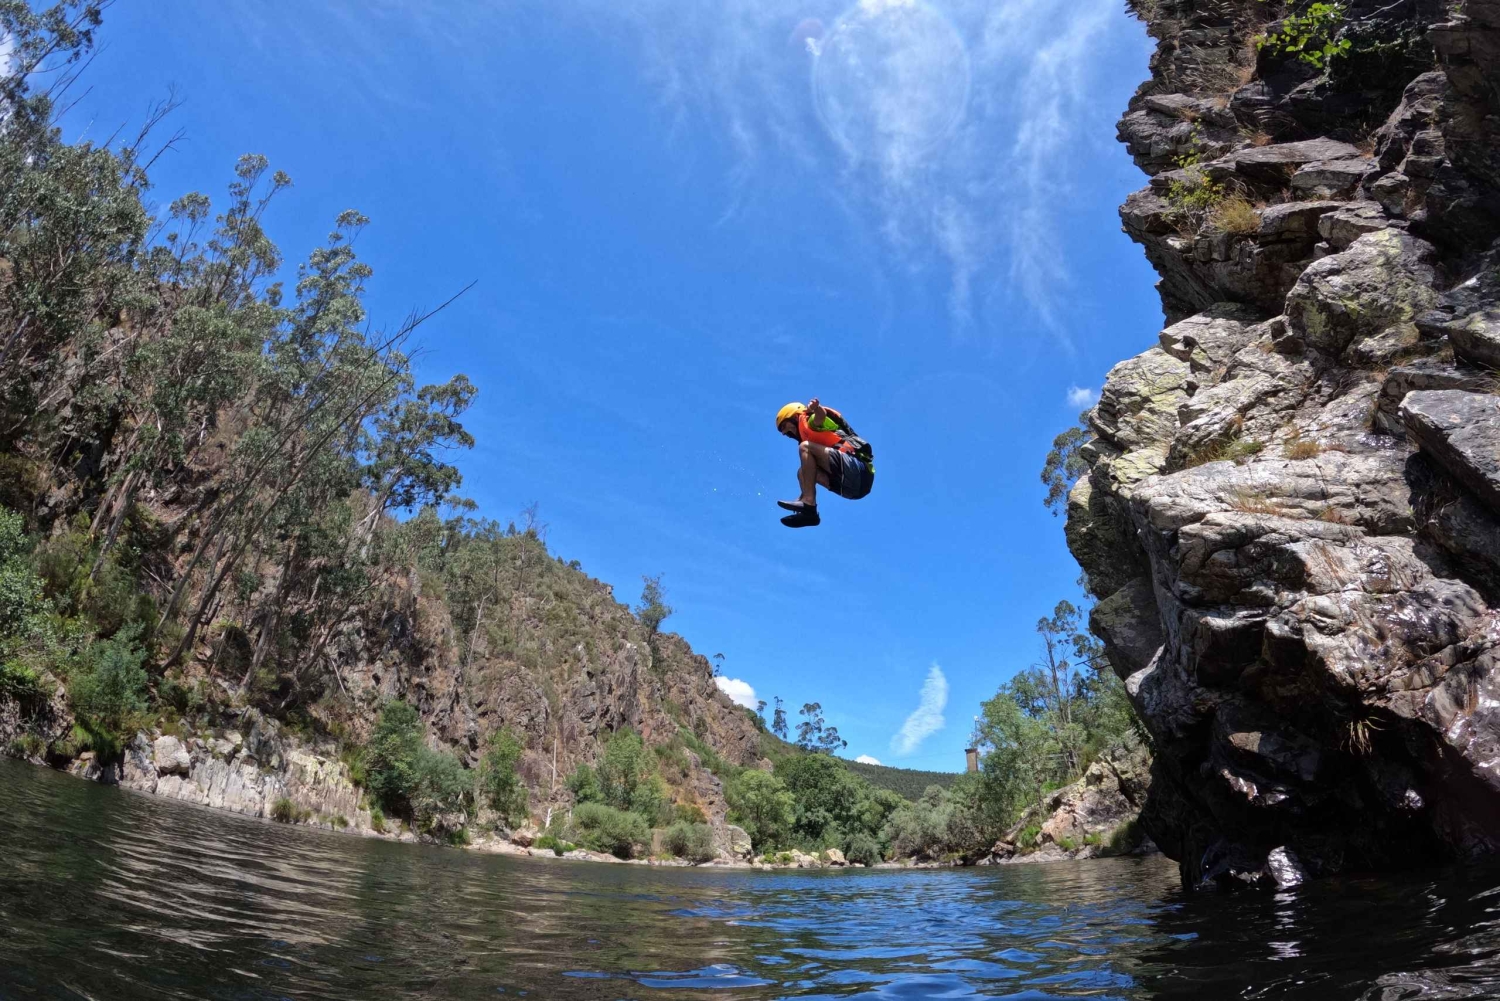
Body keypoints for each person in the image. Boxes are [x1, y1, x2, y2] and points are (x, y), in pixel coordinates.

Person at [773, 399, 874, 528]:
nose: (783, 432)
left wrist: (817, 408)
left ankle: (808, 501)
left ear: (795, 416)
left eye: (784, 426)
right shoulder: (814, 447)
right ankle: (809, 513)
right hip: (852, 489)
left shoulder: (810, 421)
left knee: (805, 447)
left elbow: (820, 416)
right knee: (802, 472)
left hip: (859, 469)